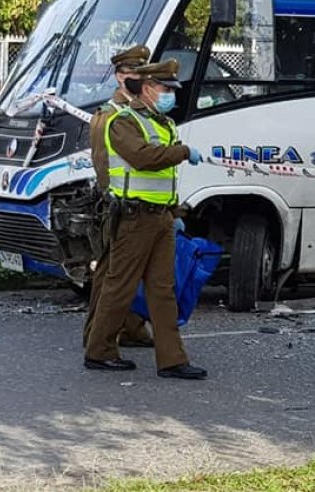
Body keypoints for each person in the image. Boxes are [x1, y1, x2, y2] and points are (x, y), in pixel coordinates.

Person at [83, 56, 207, 379]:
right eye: (166, 89)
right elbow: (142, 158)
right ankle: (99, 351)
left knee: (163, 290)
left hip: (161, 218)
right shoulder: (123, 122)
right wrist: (183, 152)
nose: (171, 95)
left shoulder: (164, 124)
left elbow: (166, 178)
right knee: (119, 287)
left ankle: (172, 360)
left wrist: (174, 212)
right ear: (148, 88)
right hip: (134, 218)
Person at [82, 46, 156, 352]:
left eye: (140, 73)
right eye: (129, 74)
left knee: (126, 273)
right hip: (118, 205)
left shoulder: (140, 111)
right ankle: (95, 337)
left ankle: (130, 329)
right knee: (110, 275)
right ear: (118, 76)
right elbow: (104, 163)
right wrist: (112, 199)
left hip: (137, 204)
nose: (135, 79)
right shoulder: (109, 115)